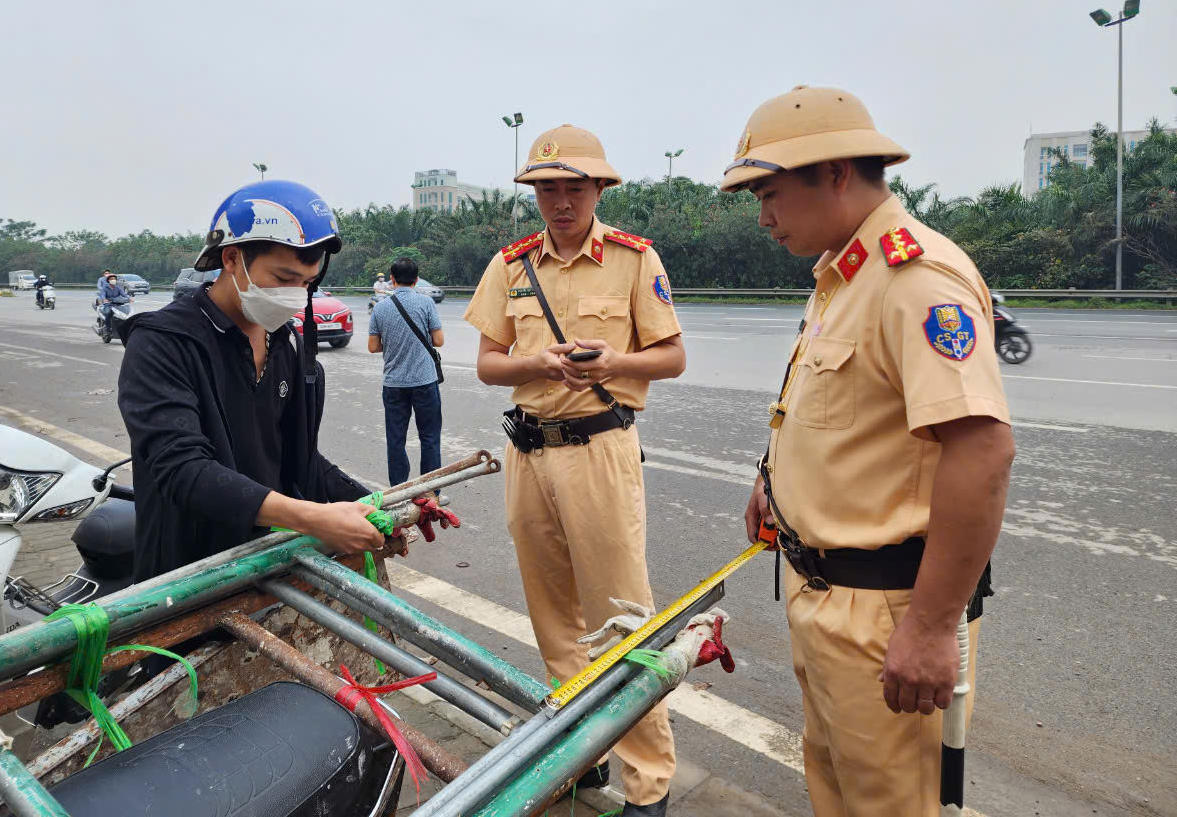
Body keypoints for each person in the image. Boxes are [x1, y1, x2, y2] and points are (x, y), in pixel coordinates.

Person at [724, 85, 1014, 817]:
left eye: (770, 192)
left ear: (834, 172)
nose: (762, 215)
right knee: (839, 794)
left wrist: (930, 625)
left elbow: (981, 450)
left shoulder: (914, 278)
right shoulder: (842, 273)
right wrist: (773, 480)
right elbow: (844, 416)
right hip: (823, 598)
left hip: (888, 613)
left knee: (891, 805)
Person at [464, 124, 686, 817]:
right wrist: (537, 364)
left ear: (599, 189)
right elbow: (488, 362)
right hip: (526, 453)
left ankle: (648, 781)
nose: (560, 202)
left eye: (574, 188)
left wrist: (612, 362)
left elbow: (672, 355)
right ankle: (579, 757)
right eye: (547, 189)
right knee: (554, 617)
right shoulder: (510, 264)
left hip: (599, 448)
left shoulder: (634, 259)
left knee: (622, 615)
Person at [117, 179, 383, 582]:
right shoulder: (162, 344)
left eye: (307, 284)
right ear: (231, 259)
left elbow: (298, 458)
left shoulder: (287, 344)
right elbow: (182, 468)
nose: (296, 296)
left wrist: (375, 505)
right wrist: (313, 518)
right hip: (189, 573)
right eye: (282, 278)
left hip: (269, 561)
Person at [368, 256, 444, 489]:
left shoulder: (380, 308)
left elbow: (373, 346)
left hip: (394, 384)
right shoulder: (426, 304)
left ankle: (399, 489)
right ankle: (430, 491)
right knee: (429, 439)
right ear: (417, 279)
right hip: (424, 381)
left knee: (396, 440)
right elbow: (438, 340)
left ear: (392, 280)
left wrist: (391, 343)